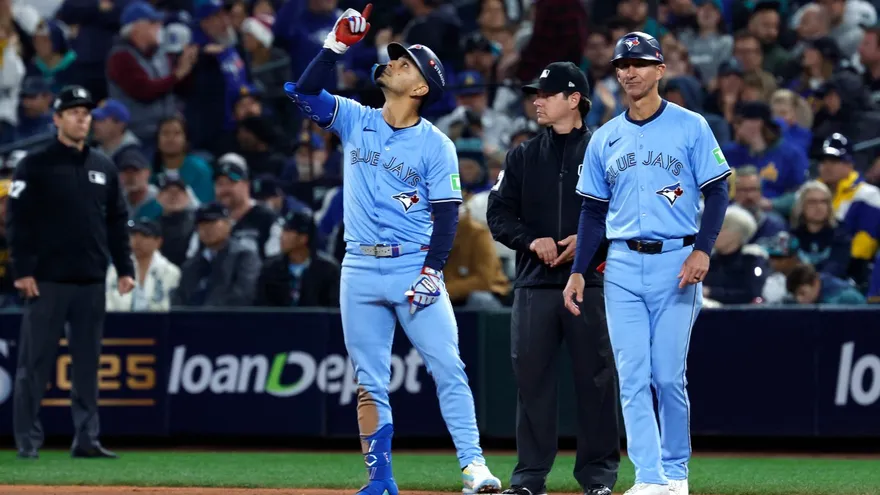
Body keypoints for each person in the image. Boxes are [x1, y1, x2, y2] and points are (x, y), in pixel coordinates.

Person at [283, 4, 502, 495]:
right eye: (397, 59)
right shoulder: (357, 119)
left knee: (448, 365)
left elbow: (447, 215)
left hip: (411, 264)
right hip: (359, 264)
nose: (394, 63)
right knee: (369, 380)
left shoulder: (436, 144)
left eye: (406, 64)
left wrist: (430, 271)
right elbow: (305, 92)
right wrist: (335, 45)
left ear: (420, 88)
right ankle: (380, 479)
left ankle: (474, 467)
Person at [562, 32, 731, 495]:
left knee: (667, 376)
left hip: (677, 259)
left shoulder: (690, 125)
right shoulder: (605, 138)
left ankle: (675, 472)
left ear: (660, 69)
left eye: (638, 63)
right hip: (620, 265)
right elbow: (593, 211)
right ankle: (650, 476)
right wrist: (578, 270)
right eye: (621, 65)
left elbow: (718, 191)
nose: (628, 71)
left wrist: (703, 249)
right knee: (633, 376)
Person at [486, 61, 619, 495]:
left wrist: (587, 241)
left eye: (546, 94)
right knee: (532, 384)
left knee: (596, 382)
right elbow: (498, 214)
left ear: (574, 100)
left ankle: (598, 478)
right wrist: (531, 240)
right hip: (534, 283)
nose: (536, 101)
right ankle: (528, 479)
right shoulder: (523, 155)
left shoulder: (605, 149)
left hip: (593, 283)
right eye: (535, 94)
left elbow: (625, 212)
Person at [7, 85, 135, 460]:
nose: (82, 118)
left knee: (87, 366)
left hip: (91, 280)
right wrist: (23, 270)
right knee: (35, 364)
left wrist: (124, 268)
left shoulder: (103, 165)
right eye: (74, 112)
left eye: (86, 113)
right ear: (57, 119)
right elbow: (18, 222)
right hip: (46, 280)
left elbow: (117, 221)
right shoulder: (35, 164)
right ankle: (28, 441)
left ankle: (86, 438)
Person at [255, 210, 341, 307]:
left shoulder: (328, 270)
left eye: (287, 231)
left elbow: (333, 310)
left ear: (303, 238)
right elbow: (262, 307)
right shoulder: (270, 268)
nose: (281, 236)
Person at [106, 218, 181, 312]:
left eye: (145, 235)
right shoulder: (116, 269)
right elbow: (108, 302)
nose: (138, 240)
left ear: (158, 241)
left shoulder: (170, 271)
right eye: (133, 235)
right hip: (120, 322)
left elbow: (169, 305)